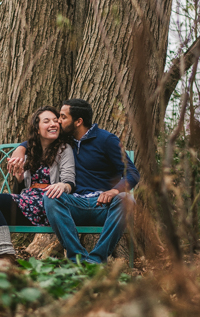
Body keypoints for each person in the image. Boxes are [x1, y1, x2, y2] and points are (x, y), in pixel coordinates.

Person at [9, 99, 139, 263]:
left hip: (103, 206)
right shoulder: (64, 139)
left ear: (78, 122)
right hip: (74, 206)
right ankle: (77, 257)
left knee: (127, 200)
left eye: (62, 117)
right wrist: (21, 148)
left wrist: (114, 191)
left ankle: (97, 259)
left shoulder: (107, 140)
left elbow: (132, 173)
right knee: (50, 197)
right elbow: (37, 138)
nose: (58, 121)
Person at [0, 106, 75, 264]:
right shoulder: (30, 151)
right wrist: (19, 178)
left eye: (55, 120)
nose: (53, 124)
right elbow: (20, 191)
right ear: (37, 129)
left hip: (48, 203)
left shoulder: (64, 149)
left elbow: (69, 181)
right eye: (47, 121)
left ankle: (6, 257)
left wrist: (63, 186)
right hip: (28, 203)